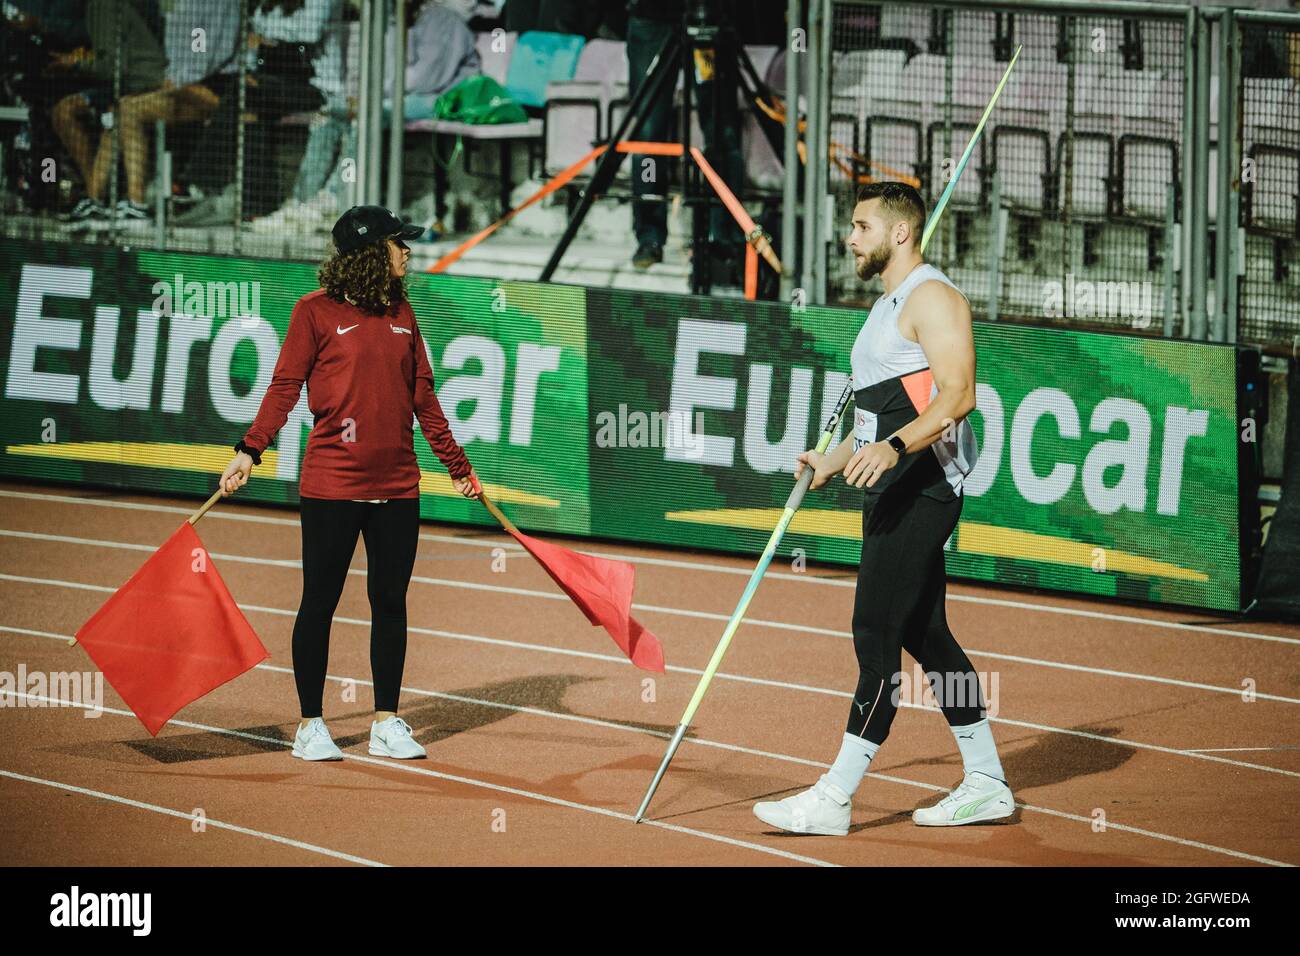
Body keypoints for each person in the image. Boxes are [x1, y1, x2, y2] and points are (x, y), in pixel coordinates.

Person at [752, 182, 1013, 835]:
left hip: (925, 485)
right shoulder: (885, 306)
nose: (850, 238)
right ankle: (987, 781)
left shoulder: (936, 298)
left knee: (875, 634)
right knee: (927, 636)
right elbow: (874, 416)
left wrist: (895, 450)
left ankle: (834, 797)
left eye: (862, 226)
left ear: (900, 232)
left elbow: (958, 397)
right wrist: (834, 460)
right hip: (892, 482)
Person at [219, 205, 481, 762]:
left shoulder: (403, 313)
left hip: (398, 487)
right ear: (370, 252)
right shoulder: (314, 313)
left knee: (390, 602)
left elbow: (425, 399)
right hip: (332, 485)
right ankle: (311, 724)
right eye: (398, 244)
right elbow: (284, 386)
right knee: (320, 602)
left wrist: (457, 465)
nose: (408, 252)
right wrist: (250, 450)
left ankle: (386, 721)